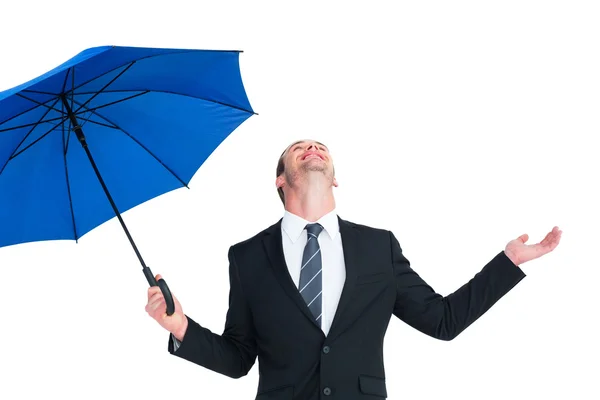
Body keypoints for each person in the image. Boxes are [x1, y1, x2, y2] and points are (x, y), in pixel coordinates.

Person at [146, 139, 562, 399]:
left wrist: (508, 264)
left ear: (335, 179)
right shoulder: (248, 256)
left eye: (321, 147)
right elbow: (238, 359)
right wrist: (180, 326)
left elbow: (443, 320)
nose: (313, 148)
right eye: (299, 147)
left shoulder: (377, 247)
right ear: (279, 180)